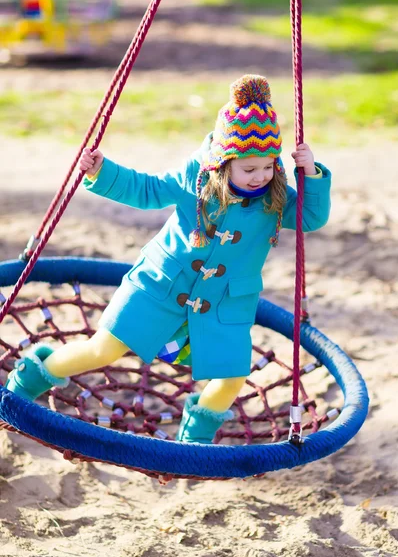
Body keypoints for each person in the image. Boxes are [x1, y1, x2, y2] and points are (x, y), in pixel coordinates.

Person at [5, 74, 331, 444]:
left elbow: (310, 218)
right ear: (224, 163)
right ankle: (30, 377)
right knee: (104, 348)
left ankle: (195, 436)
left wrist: (311, 174)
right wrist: (101, 171)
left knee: (232, 377)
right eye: (248, 169)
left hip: (223, 305)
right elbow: (149, 190)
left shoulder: (275, 198)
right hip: (160, 287)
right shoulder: (196, 177)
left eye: (267, 166)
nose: (259, 177)